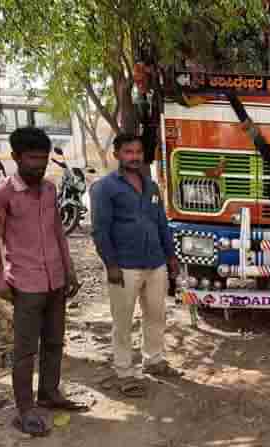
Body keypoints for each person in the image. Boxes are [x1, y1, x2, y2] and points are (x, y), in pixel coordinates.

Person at [0, 127, 88, 437]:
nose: (38, 165)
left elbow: (58, 233)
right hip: (25, 284)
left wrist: (69, 271)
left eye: (43, 159)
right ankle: (25, 409)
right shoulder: (1, 194)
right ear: (15, 157)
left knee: (55, 342)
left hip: (55, 280)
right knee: (26, 350)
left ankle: (50, 393)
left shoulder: (49, 190)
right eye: (31, 159)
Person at [90, 133, 181, 398]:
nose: (134, 157)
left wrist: (171, 256)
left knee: (156, 314)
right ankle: (124, 371)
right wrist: (111, 265)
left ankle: (154, 360)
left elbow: (161, 224)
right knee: (123, 320)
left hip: (155, 262)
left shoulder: (151, 186)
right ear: (116, 154)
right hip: (124, 265)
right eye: (128, 152)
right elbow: (100, 230)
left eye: (138, 152)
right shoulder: (104, 188)